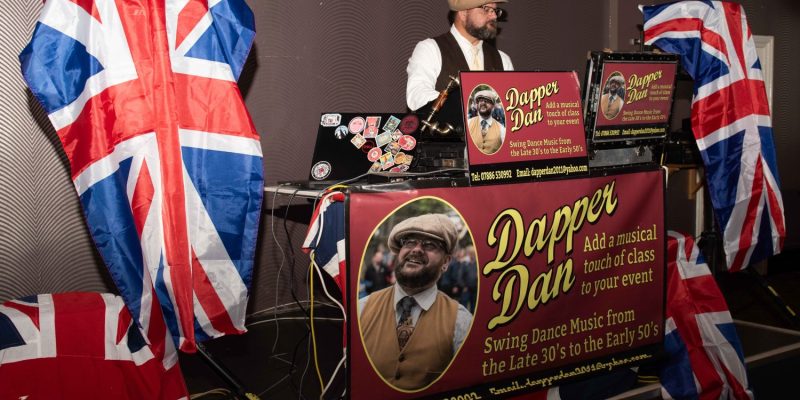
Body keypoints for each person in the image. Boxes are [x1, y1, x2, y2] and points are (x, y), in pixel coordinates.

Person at [358, 213, 472, 390]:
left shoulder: (461, 322)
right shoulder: (362, 308)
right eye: (409, 242)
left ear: (446, 261)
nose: (417, 249)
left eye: (430, 244)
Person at [406, 0, 514, 112]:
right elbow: (417, 95)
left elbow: (511, 107)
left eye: (495, 10)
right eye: (486, 9)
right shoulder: (430, 48)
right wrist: (466, 106)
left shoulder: (502, 59)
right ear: (463, 13)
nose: (494, 16)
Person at [467, 89, 505, 154]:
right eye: (480, 101)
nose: (483, 103)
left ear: (493, 106)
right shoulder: (468, 123)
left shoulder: (502, 129)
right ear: (477, 105)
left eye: (487, 101)